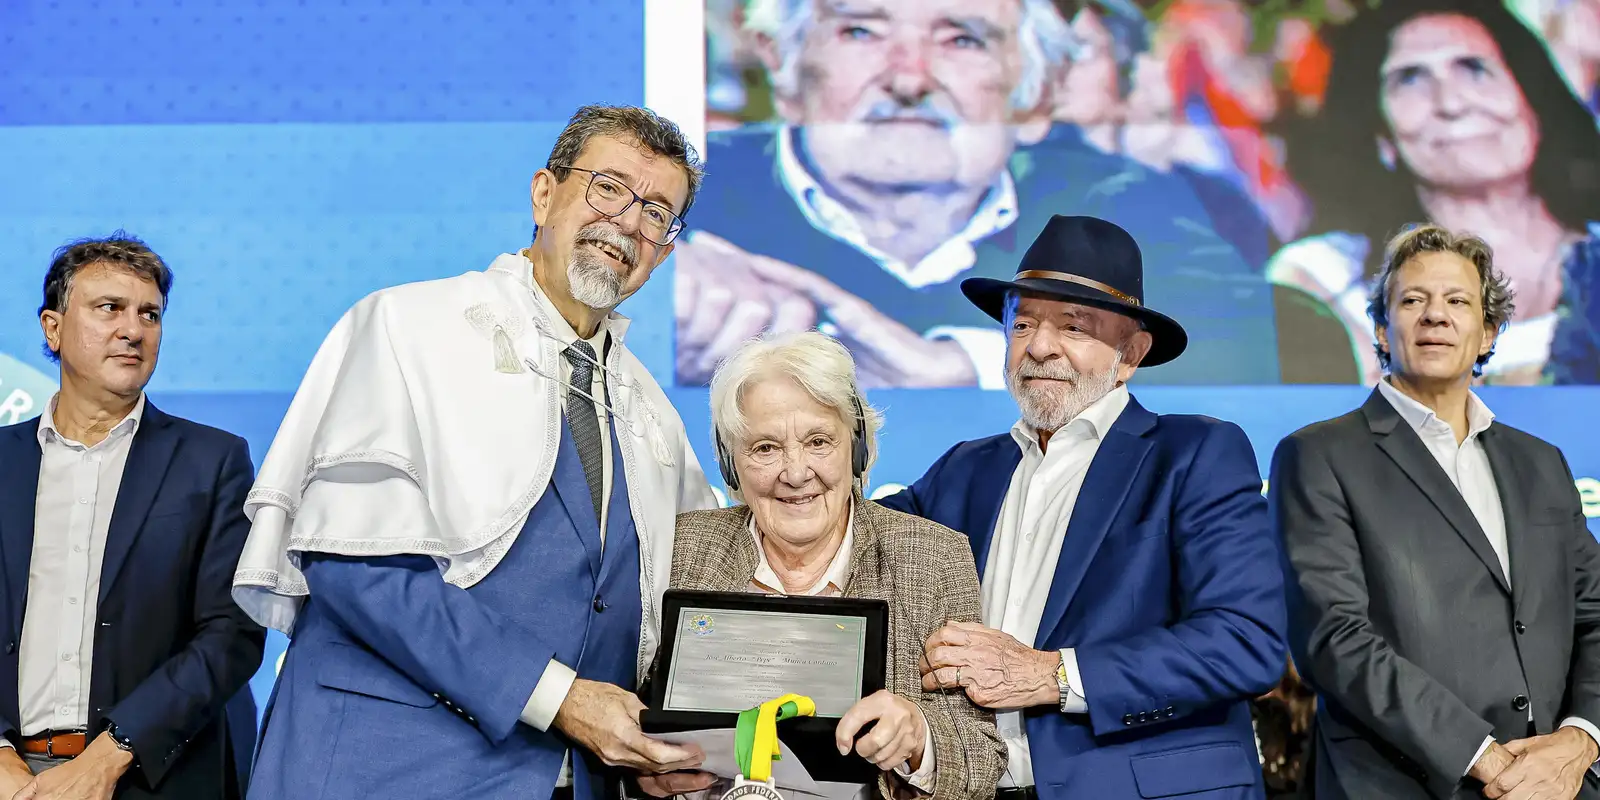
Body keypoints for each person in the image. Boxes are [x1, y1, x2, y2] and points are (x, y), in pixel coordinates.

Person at [234, 104, 721, 800]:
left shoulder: (654, 418)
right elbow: (356, 566)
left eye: (655, 213)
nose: (626, 222)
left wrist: (662, 750)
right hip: (380, 771)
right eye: (608, 188)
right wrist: (560, 698)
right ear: (544, 194)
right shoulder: (407, 324)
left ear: (664, 253)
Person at [674, 0, 1296, 389]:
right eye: (861, 31)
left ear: (1036, 96)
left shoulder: (1116, 196)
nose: (909, 78)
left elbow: (1240, 348)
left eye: (962, 39)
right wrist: (658, 281)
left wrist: (961, 367)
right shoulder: (686, 189)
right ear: (782, 68)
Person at [877, 215, 1288, 798]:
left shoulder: (1195, 453)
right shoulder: (963, 470)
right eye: (1022, 324)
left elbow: (1244, 642)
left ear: (1131, 354)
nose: (1039, 347)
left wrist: (1049, 674)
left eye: (1073, 326)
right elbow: (847, 533)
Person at [1271, 224, 1600, 799]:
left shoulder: (1541, 462)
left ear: (1488, 331)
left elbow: (1594, 613)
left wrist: (1580, 740)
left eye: (1458, 301)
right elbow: (1334, 638)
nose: (1435, 316)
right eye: (1412, 300)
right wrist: (1486, 759)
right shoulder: (1318, 455)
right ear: (1381, 328)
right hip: (1400, 785)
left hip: (1554, 785)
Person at [646, 331, 1005, 800]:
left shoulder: (932, 557)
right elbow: (629, 715)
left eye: (818, 441)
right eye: (765, 448)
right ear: (731, 465)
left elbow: (981, 759)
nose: (796, 473)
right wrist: (642, 769)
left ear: (856, 449)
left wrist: (920, 738)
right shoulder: (680, 549)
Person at [0, 235, 265, 799]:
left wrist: (108, 757)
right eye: (109, 308)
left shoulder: (211, 462)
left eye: (150, 314)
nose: (134, 330)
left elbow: (233, 633)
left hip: (148, 777)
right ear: (52, 328)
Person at [1267, 0, 1600, 385]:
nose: (1451, 103)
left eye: (1474, 69)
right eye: (1410, 79)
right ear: (1382, 137)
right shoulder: (1324, 280)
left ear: (1534, 102)